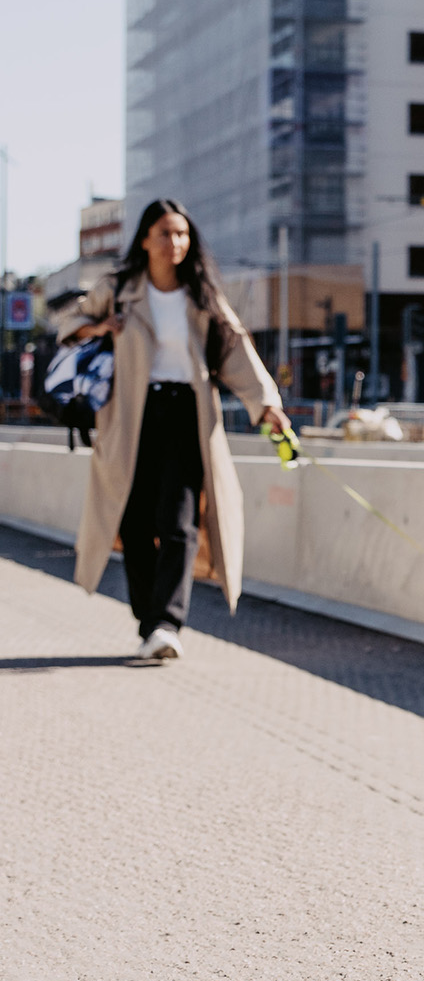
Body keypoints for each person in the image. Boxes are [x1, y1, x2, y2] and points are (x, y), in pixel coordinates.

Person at [58, 199, 289, 658]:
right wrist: (100, 326)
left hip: (187, 413)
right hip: (131, 417)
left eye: (182, 234)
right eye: (165, 233)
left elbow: (236, 350)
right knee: (136, 521)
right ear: (145, 239)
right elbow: (67, 321)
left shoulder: (201, 294)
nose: (175, 243)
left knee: (180, 520)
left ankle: (167, 622)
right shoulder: (120, 288)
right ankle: (149, 621)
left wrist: (266, 405)